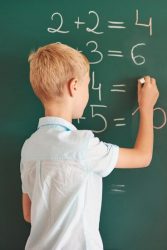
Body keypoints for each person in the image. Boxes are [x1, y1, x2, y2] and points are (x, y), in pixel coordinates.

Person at [20, 43, 159, 249]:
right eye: (87, 86)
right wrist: (146, 107)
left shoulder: (29, 147)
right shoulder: (82, 145)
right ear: (74, 86)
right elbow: (143, 156)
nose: (88, 93)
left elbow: (29, 213)